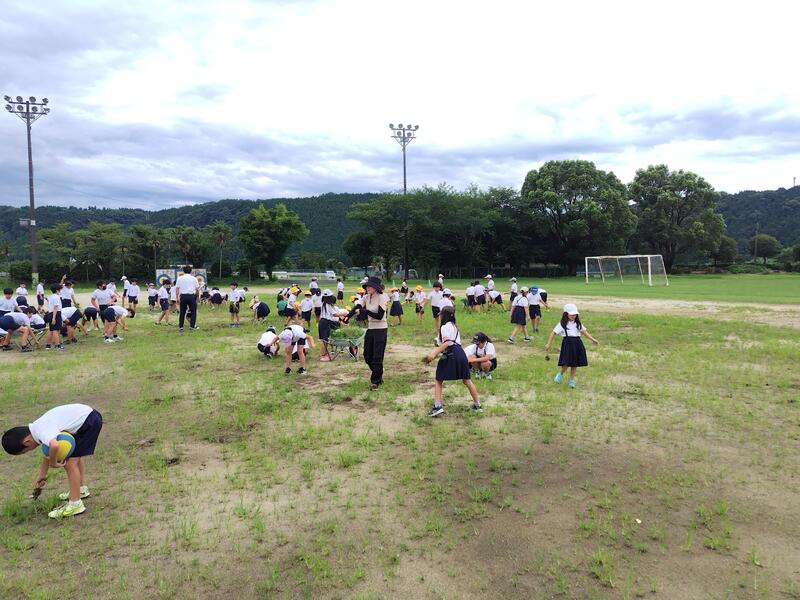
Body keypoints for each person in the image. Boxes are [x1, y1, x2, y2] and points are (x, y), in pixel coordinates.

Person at [2, 403, 103, 519]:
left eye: (26, 451)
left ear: (27, 442)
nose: (29, 451)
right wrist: (42, 474)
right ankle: (80, 490)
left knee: (70, 463)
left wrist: (54, 462)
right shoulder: (37, 428)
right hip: (87, 417)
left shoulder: (42, 431)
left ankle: (75, 504)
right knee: (74, 457)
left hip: (89, 421)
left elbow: (54, 446)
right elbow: (48, 453)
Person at [423, 306, 481, 416]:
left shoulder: (444, 327)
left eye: (440, 314)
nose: (439, 316)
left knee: (439, 379)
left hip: (451, 353)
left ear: (443, 315)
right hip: (460, 352)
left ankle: (437, 406)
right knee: (467, 380)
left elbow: (447, 343)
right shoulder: (454, 326)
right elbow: (451, 342)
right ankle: (477, 405)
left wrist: (433, 354)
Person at [544, 303, 600, 389]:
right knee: (566, 363)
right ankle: (560, 374)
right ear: (566, 314)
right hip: (568, 345)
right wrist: (548, 343)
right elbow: (553, 333)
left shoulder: (577, 323)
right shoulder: (562, 324)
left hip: (577, 344)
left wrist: (592, 339)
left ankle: (571, 380)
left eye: (575, 314)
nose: (574, 316)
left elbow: (584, 332)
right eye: (572, 314)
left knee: (574, 364)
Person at [347, 276, 388, 390]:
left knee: (377, 357)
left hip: (381, 329)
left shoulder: (382, 298)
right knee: (367, 356)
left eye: (370, 286)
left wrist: (365, 311)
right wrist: (347, 316)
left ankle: (375, 381)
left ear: (376, 288)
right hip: (371, 329)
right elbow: (357, 307)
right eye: (367, 286)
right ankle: (378, 372)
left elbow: (379, 316)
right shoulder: (366, 297)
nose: (367, 288)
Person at [318, 289, 348, 361]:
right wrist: (344, 313)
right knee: (324, 340)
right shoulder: (328, 305)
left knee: (325, 340)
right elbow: (335, 314)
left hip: (323, 322)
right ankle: (323, 356)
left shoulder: (324, 303)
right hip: (325, 323)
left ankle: (325, 354)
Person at [175, 267, 199, 331]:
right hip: (191, 296)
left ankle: (181, 327)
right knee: (193, 312)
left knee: (182, 312)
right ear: (191, 271)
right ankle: (192, 326)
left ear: (183, 271)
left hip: (183, 296)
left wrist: (177, 297)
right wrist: (197, 297)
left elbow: (177, 288)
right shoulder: (194, 278)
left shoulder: (179, 278)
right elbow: (197, 289)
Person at [46, 284, 64, 350]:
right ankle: (57, 345)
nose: (60, 291)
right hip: (55, 314)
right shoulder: (56, 297)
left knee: (51, 330)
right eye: (59, 290)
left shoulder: (51, 297)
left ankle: (48, 345)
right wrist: (54, 318)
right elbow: (55, 307)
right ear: (57, 290)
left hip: (50, 313)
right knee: (56, 330)